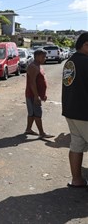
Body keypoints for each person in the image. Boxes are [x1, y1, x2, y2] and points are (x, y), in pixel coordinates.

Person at [62, 32, 88, 188]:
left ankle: (77, 179)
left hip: (71, 111)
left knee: (76, 145)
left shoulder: (70, 62)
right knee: (77, 145)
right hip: (84, 112)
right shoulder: (86, 62)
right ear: (86, 45)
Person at [24, 49, 54, 138]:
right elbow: (32, 83)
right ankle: (42, 133)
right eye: (43, 57)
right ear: (37, 56)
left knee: (32, 113)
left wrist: (43, 94)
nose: (45, 58)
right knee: (37, 114)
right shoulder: (33, 66)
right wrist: (36, 96)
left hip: (36, 95)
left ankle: (28, 129)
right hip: (32, 95)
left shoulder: (38, 65)